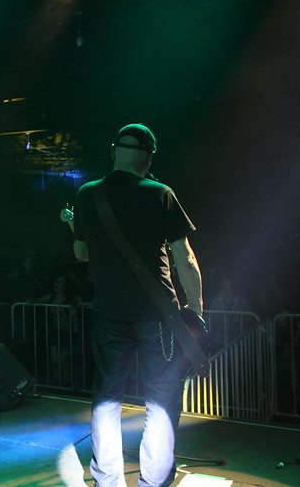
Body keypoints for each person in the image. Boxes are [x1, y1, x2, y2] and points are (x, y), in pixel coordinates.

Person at [63, 124, 203, 487]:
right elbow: (184, 258)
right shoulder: (160, 193)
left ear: (114, 152)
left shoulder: (88, 194)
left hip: (108, 311)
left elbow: (82, 253)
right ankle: (153, 480)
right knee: (161, 398)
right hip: (157, 315)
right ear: (149, 158)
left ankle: (107, 480)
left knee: (107, 398)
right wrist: (196, 309)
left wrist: (72, 226)